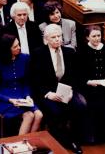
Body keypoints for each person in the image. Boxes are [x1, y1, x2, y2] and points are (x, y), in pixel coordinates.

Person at [30, 24, 87, 153]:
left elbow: (76, 75)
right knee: (56, 111)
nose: (57, 39)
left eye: (59, 36)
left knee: (81, 105)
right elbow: (35, 79)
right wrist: (47, 93)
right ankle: (60, 141)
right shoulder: (38, 53)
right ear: (46, 39)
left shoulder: (70, 52)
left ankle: (74, 140)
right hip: (48, 92)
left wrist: (71, 91)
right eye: (53, 37)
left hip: (68, 91)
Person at [0, 34, 43, 135]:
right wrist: (10, 100)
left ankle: (27, 144)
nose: (19, 48)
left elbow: (26, 82)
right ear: (6, 49)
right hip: (4, 99)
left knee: (39, 115)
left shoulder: (25, 58)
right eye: (15, 47)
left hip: (21, 96)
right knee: (29, 116)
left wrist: (27, 95)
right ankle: (20, 146)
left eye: (19, 44)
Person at [78, 25, 105, 142]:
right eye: (94, 36)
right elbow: (79, 73)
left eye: (99, 36)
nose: (97, 39)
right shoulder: (82, 51)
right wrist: (90, 82)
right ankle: (94, 135)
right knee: (95, 98)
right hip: (89, 85)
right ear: (87, 37)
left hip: (104, 83)